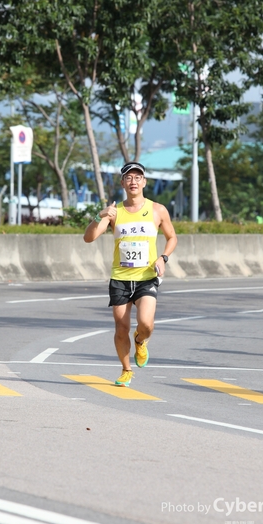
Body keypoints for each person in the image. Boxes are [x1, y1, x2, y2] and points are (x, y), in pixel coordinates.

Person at [83, 162, 178, 387]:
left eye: (137, 177)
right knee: (121, 328)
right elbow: (88, 238)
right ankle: (126, 370)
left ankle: (140, 340)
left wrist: (163, 257)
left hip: (146, 277)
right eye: (128, 178)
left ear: (144, 182)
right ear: (122, 183)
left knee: (146, 324)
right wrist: (99, 215)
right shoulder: (115, 212)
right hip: (120, 278)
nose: (133, 181)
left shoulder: (157, 210)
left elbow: (172, 237)